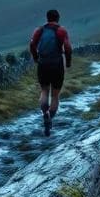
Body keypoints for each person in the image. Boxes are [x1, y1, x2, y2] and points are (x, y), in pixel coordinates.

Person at [29, 8, 72, 136]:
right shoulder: (61, 30)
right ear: (58, 18)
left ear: (47, 18)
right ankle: (50, 117)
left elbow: (32, 45)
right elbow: (68, 48)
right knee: (55, 95)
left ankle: (44, 114)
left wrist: (36, 57)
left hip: (43, 64)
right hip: (57, 64)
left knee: (44, 91)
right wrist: (68, 62)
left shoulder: (39, 30)